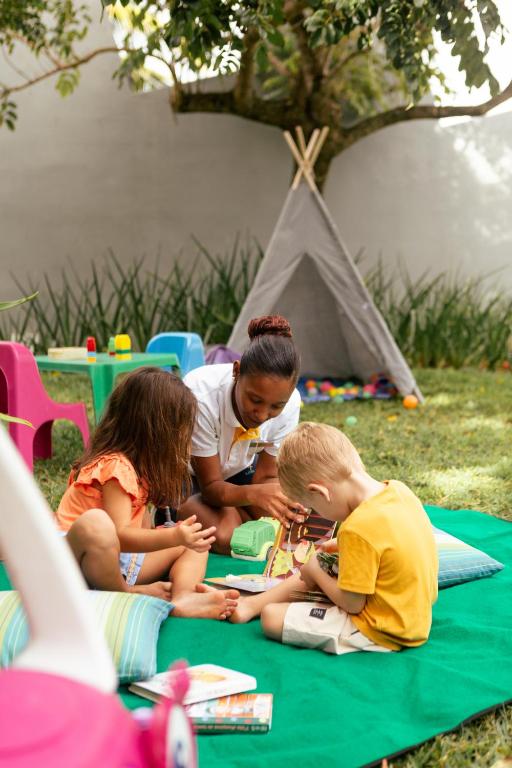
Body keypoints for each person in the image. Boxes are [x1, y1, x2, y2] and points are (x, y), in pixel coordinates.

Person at [230, 422, 438, 654]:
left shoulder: (356, 528)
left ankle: (258, 606)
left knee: (272, 616)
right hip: (414, 615)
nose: (318, 514)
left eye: (314, 508)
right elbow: (390, 541)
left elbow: (352, 603)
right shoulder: (399, 491)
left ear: (320, 493)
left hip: (381, 629)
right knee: (324, 563)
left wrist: (316, 572)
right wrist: (340, 548)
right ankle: (251, 604)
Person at [55, 367, 238, 620]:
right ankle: (127, 594)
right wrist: (174, 536)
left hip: (115, 564)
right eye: (182, 431)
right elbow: (118, 535)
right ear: (157, 431)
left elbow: (138, 527)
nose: (187, 440)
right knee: (97, 524)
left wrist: (179, 538)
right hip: (77, 561)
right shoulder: (116, 467)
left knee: (197, 544)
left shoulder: (139, 470)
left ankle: (182, 597)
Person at [178, 315, 307, 554]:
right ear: (237, 371)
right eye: (255, 400)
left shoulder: (289, 404)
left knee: (299, 518)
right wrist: (253, 495)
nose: (262, 414)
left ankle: (238, 518)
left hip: (239, 479)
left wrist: (277, 499)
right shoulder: (201, 397)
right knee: (229, 536)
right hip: (193, 481)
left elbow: (266, 476)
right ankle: (183, 509)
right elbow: (211, 487)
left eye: (275, 406)